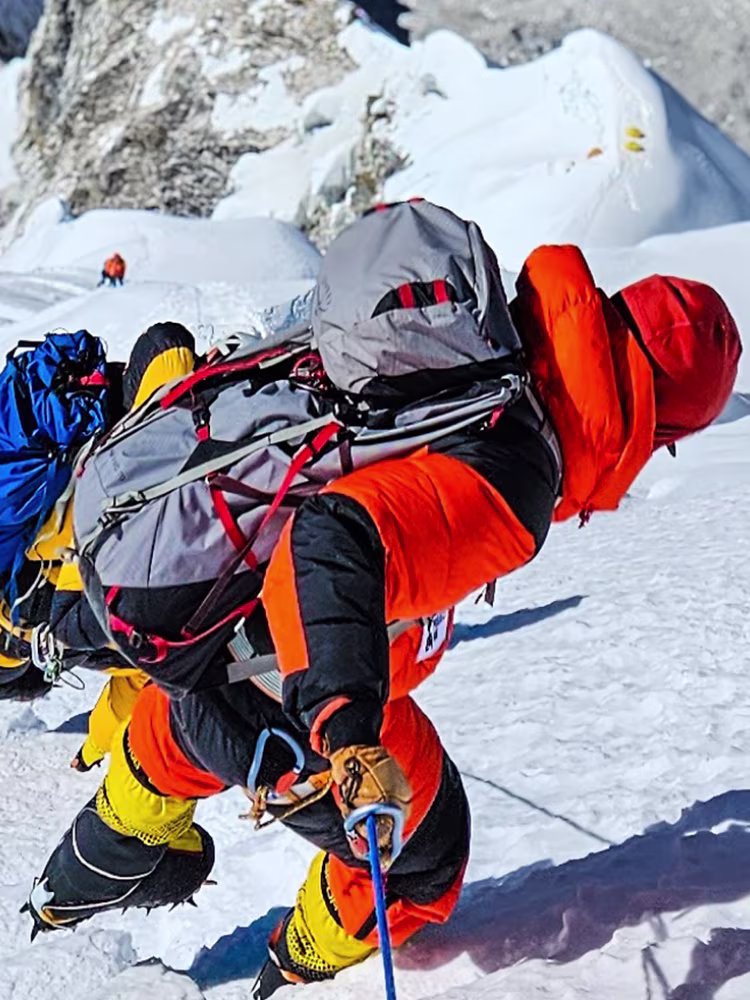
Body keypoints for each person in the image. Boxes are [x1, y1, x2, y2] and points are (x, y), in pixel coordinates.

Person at [25, 219, 741, 998]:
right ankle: (293, 979)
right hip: (277, 685)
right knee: (425, 860)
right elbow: (331, 542)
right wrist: (346, 728)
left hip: (214, 626)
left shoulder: (485, 349)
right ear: (656, 424)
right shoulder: (515, 474)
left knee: (186, 729)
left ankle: (64, 896)